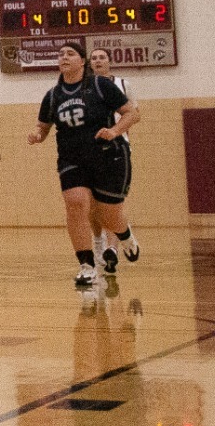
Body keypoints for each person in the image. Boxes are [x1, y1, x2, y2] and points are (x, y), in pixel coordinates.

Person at [28, 41, 142, 289]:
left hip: (106, 155)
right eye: (60, 54)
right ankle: (87, 266)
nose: (64, 57)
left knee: (107, 213)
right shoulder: (53, 95)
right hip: (71, 159)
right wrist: (37, 134)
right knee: (76, 205)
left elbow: (132, 113)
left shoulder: (101, 86)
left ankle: (126, 237)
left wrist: (114, 130)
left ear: (82, 61)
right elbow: (43, 125)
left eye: (70, 53)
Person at [87, 47, 140, 273]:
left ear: (109, 61)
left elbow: (135, 114)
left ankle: (112, 249)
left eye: (102, 57)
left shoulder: (122, 84)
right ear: (89, 63)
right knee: (91, 204)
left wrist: (115, 131)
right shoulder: (83, 87)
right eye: (94, 58)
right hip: (89, 150)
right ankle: (98, 241)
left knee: (110, 203)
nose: (98, 61)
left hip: (116, 147)